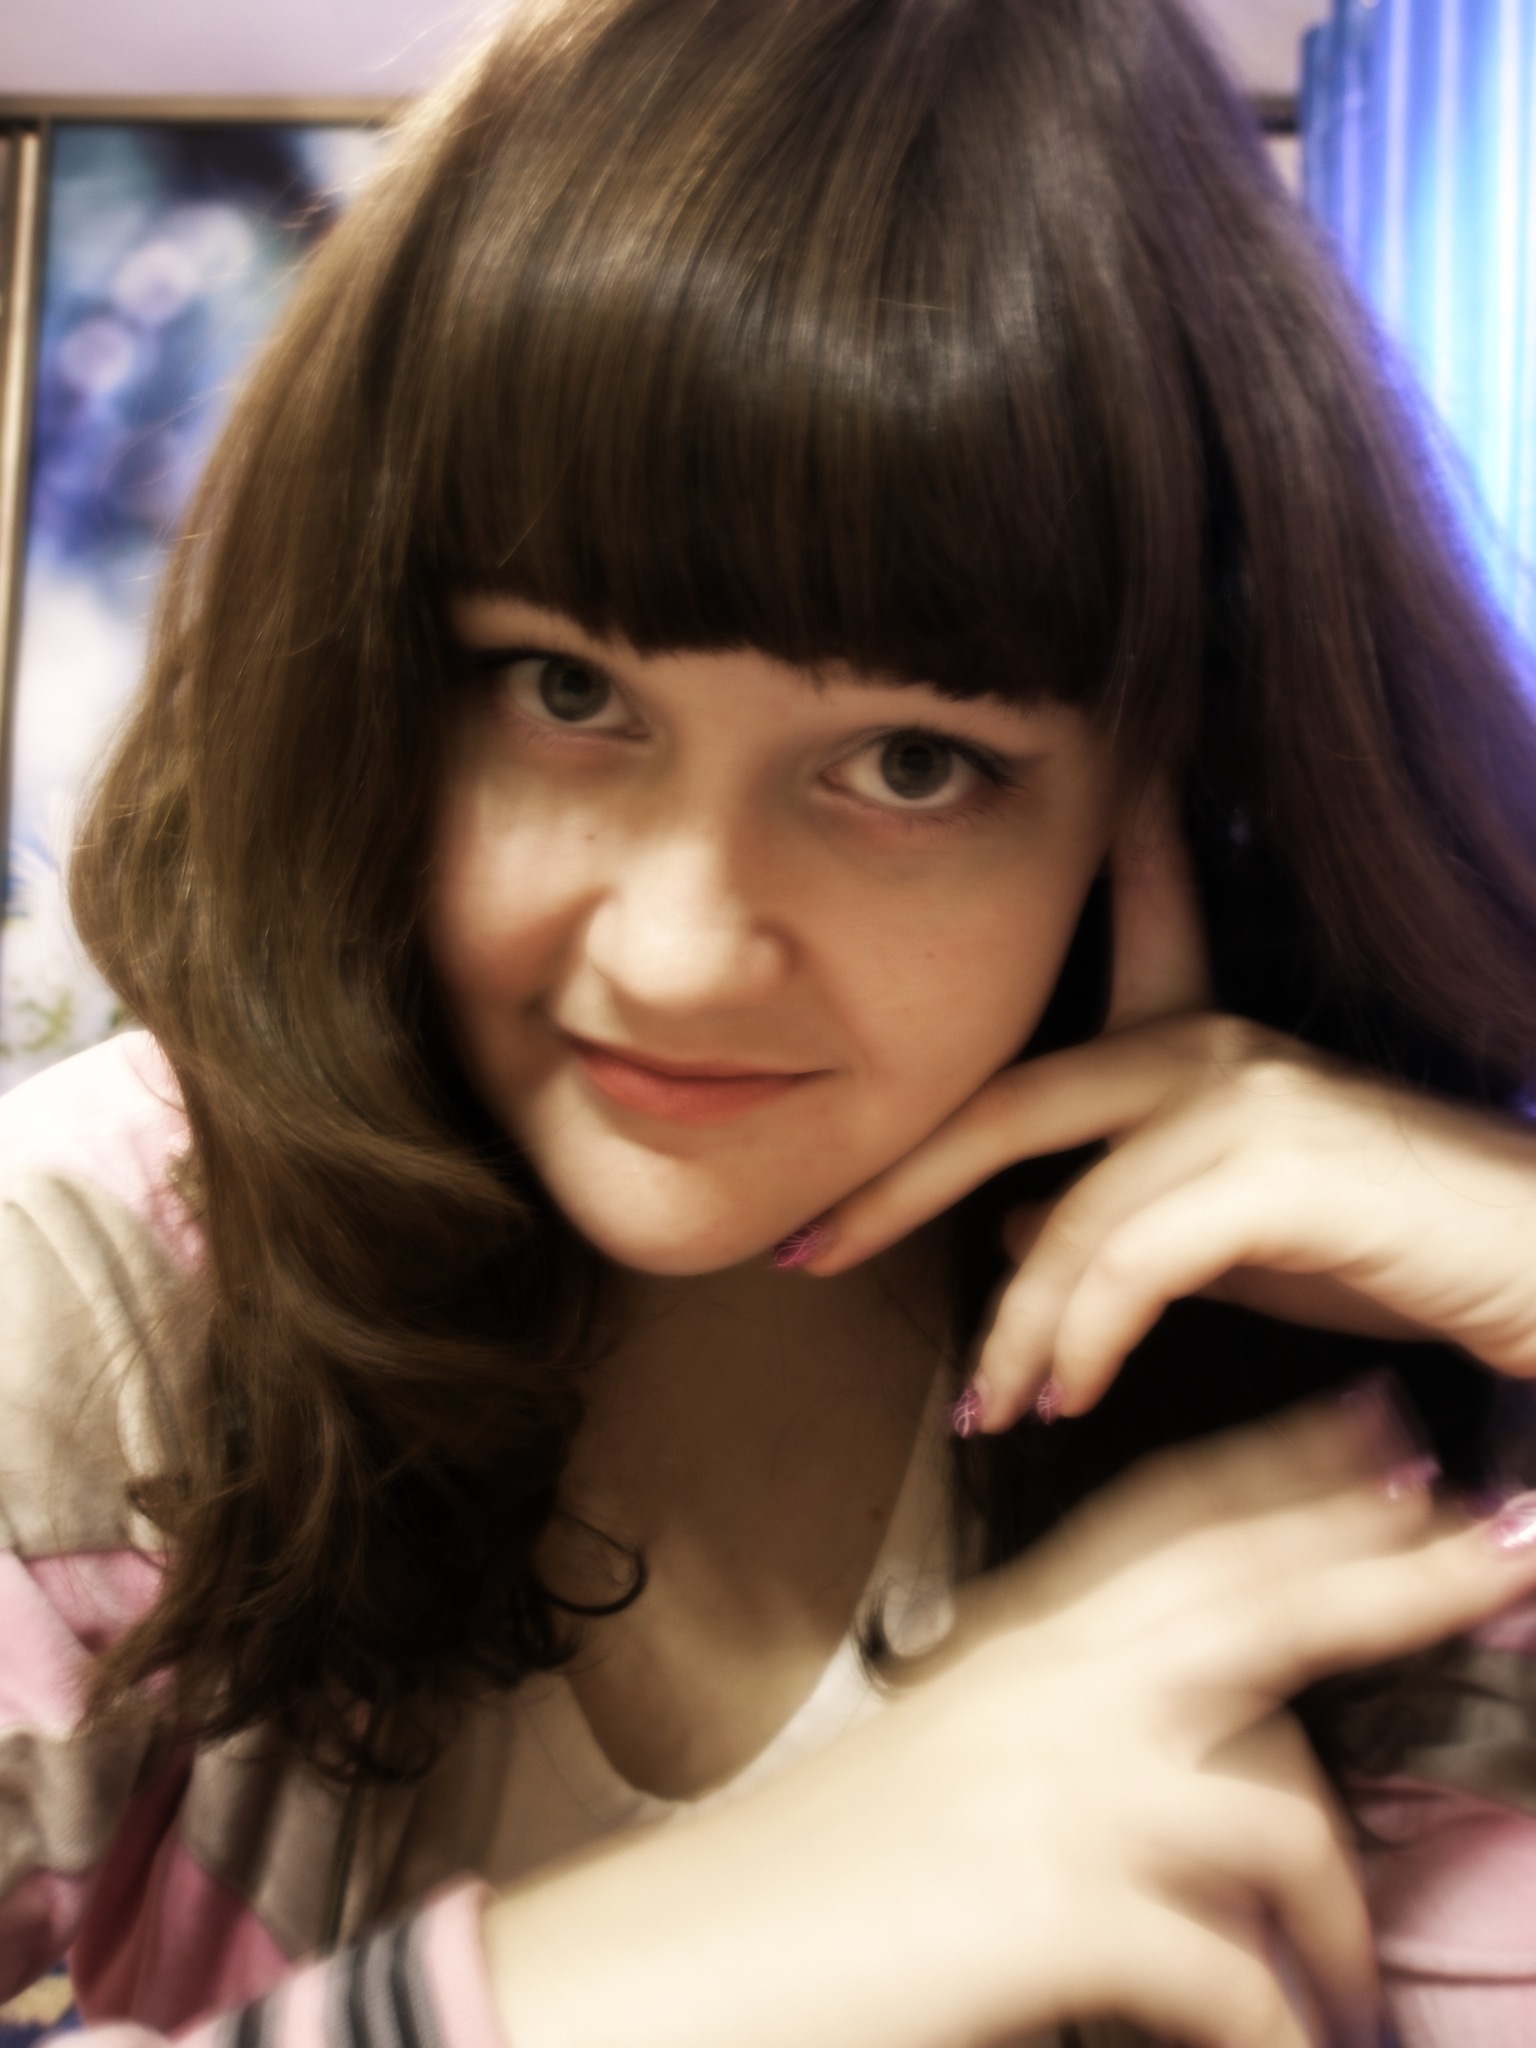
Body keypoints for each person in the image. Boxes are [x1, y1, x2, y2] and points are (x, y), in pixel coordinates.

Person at [7, 0, 1536, 2043]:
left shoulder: (1380, 1410)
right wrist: (625, 1973)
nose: (679, 954)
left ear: (1170, 774)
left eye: (911, 762)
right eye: (565, 690)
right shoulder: (98, 1289)